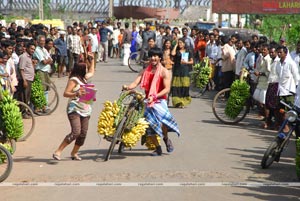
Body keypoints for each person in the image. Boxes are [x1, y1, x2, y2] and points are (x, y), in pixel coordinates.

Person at [122, 47, 180, 156]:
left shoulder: (164, 72)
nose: (153, 58)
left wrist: (155, 96)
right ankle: (158, 148)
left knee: (163, 122)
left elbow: (167, 89)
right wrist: (128, 87)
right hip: (147, 100)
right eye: (151, 56)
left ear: (159, 58)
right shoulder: (145, 71)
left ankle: (166, 139)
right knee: (149, 125)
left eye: (155, 56)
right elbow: (135, 83)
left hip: (159, 100)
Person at [53, 53, 95, 161]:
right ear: (80, 70)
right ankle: (58, 151)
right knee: (76, 131)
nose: (87, 69)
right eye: (85, 67)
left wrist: (92, 60)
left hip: (85, 109)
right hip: (74, 108)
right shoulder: (74, 80)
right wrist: (76, 94)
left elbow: (92, 72)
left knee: (83, 133)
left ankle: (74, 152)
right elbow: (66, 93)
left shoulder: (83, 78)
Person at [171, 38, 193, 108]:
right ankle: (177, 101)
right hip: (177, 70)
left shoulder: (188, 51)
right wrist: (176, 45)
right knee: (176, 87)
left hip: (185, 70)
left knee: (184, 86)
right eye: (179, 43)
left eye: (181, 43)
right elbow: (172, 53)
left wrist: (186, 62)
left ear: (184, 43)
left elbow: (192, 61)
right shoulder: (177, 51)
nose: (180, 44)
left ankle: (183, 102)